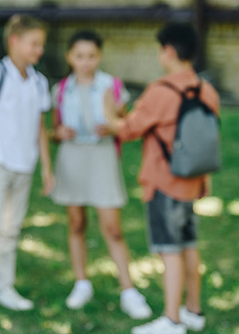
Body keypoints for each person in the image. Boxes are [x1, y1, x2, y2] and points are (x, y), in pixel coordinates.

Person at [98, 23, 219, 334]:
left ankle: (172, 320)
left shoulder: (161, 91)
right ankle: (193, 311)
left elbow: (128, 130)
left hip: (164, 184)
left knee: (170, 251)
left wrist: (109, 114)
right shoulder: (208, 91)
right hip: (192, 183)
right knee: (189, 246)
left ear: (167, 51)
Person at [50, 30, 152, 320]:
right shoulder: (60, 90)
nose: (85, 62)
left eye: (91, 56)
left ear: (99, 56)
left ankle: (128, 289)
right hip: (72, 157)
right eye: (79, 56)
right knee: (76, 222)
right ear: (70, 57)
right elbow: (54, 130)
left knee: (112, 228)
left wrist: (111, 124)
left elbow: (124, 123)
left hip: (102, 157)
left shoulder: (113, 86)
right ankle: (82, 283)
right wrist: (58, 132)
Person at [0, 14, 54, 319]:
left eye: (41, 45)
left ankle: (2, 287)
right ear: (15, 41)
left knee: (12, 229)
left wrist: (46, 168)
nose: (39, 50)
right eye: (34, 44)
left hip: (24, 166)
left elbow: (40, 128)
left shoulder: (39, 81)